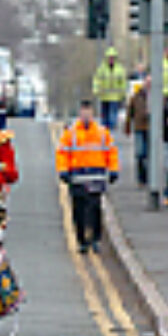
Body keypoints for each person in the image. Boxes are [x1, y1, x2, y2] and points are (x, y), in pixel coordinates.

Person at [56, 99, 118, 253]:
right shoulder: (71, 133)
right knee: (79, 210)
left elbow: (111, 151)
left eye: (88, 112)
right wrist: (63, 170)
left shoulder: (102, 132)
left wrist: (113, 169)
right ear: (80, 113)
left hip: (96, 175)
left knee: (95, 208)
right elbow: (62, 152)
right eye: (83, 112)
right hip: (77, 175)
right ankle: (82, 241)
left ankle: (95, 239)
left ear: (92, 113)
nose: (86, 115)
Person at [92, 46, 127, 133]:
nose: (111, 59)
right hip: (104, 96)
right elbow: (97, 79)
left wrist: (123, 94)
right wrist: (96, 89)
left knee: (112, 117)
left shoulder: (119, 69)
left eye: (112, 58)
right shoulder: (102, 69)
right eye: (109, 58)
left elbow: (123, 82)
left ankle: (111, 133)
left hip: (115, 97)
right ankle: (104, 134)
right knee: (104, 118)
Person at [125, 75, 151, 186]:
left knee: (149, 155)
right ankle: (141, 178)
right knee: (140, 153)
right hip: (139, 127)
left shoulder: (156, 97)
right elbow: (130, 112)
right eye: (147, 83)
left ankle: (149, 177)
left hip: (151, 129)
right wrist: (127, 126)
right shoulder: (136, 97)